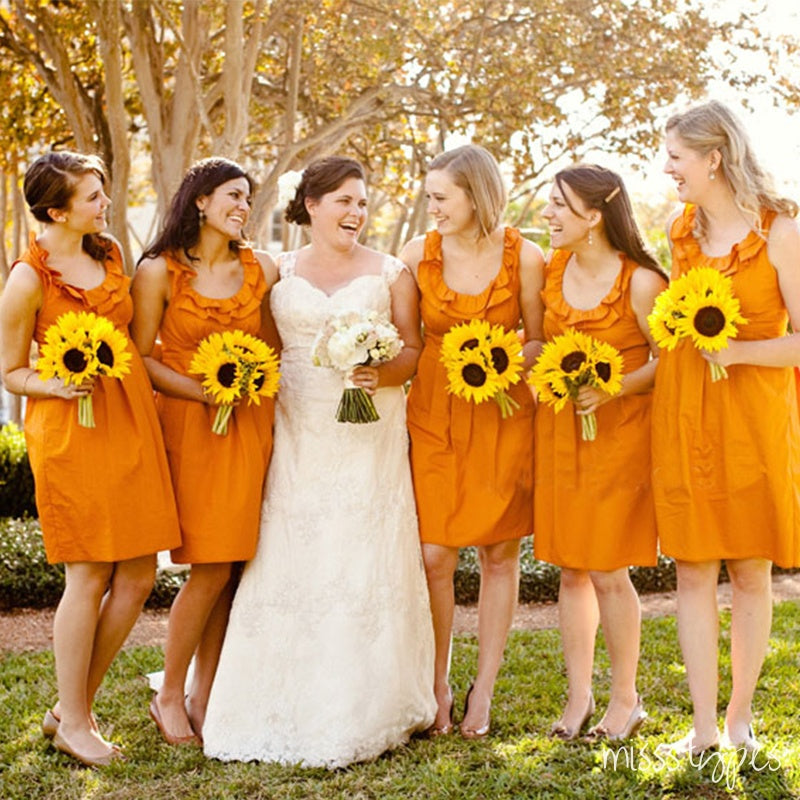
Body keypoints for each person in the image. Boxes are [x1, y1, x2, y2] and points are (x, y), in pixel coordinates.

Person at [202, 156, 436, 767]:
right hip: (298, 430)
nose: (357, 213)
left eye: (362, 203)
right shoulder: (276, 270)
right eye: (344, 201)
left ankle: (370, 698)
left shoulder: (391, 273)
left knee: (361, 555)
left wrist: (380, 371)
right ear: (311, 205)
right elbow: (267, 348)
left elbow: (413, 350)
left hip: (369, 432)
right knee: (293, 550)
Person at [0, 151, 181, 766]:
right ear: (57, 209)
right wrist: (52, 384)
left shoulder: (109, 255)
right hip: (70, 432)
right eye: (93, 196)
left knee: (138, 574)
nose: (105, 203)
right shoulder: (28, 280)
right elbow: (10, 371)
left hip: (130, 422)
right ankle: (77, 720)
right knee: (90, 574)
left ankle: (67, 710)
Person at [652, 100, 800, 756]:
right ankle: (704, 727)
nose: (667, 169)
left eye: (676, 157)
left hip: (755, 419)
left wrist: (737, 352)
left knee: (748, 571)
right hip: (686, 414)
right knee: (691, 568)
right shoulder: (677, 232)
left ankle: (740, 717)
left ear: (714, 157)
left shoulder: (781, 232)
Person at [130, 157, 277, 745]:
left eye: (248, 198)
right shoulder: (158, 271)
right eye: (234, 196)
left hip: (252, 427)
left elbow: (271, 349)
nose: (244, 206)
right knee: (210, 564)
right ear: (200, 200)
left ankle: (203, 694)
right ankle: (169, 695)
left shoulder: (261, 266)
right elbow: (142, 358)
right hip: (194, 428)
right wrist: (207, 392)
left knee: (231, 565)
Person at [400, 144, 544, 738]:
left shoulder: (526, 256)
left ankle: (483, 688)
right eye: (429, 196)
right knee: (435, 554)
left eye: (441, 197)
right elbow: (405, 346)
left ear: (476, 194)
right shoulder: (415, 255)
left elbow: (537, 342)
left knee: (499, 553)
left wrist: (498, 355)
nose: (431, 207)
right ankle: (438, 682)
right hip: (434, 411)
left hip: (503, 411)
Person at [533, 164, 666, 742]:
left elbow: (669, 363)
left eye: (560, 206)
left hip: (619, 438)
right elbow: (540, 340)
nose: (548, 215)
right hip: (561, 435)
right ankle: (578, 696)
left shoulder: (640, 282)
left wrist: (615, 386)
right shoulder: (554, 267)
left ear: (593, 216)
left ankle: (626, 700)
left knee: (610, 572)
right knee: (571, 570)